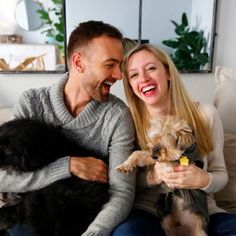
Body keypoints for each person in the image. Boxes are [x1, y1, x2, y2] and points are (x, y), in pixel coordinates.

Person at [0, 20, 136, 236]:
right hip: (36, 212)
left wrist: (94, 233)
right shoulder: (33, 102)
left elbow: (122, 192)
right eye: (110, 65)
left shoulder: (117, 116)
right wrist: (68, 166)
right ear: (79, 63)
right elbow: (2, 177)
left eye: (119, 66)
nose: (119, 76)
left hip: (88, 216)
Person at [112, 44, 236, 236]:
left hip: (199, 210)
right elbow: (121, 182)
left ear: (168, 73)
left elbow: (220, 174)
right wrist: (153, 177)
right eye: (134, 75)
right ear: (130, 85)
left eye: (151, 68)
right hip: (149, 211)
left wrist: (203, 180)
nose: (143, 78)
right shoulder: (127, 122)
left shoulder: (205, 114)